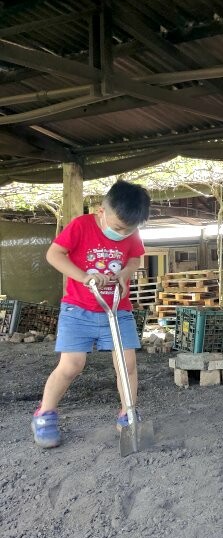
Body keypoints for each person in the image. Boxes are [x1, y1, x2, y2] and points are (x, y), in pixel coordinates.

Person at [32, 180, 151, 448]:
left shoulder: (130, 232)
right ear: (101, 211)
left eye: (129, 230)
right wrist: (84, 277)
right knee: (72, 365)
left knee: (127, 364)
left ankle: (128, 414)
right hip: (78, 308)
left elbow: (135, 258)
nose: (123, 233)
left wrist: (125, 273)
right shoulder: (81, 226)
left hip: (118, 309)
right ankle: (45, 414)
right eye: (118, 228)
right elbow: (54, 254)